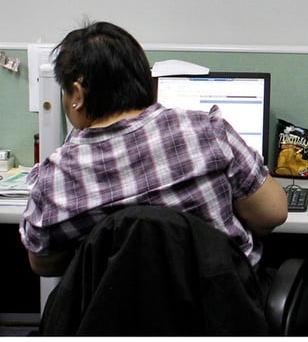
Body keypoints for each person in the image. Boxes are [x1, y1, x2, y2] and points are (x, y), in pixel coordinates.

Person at [19, 21, 288, 277]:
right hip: (221, 314)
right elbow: (272, 214)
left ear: (76, 93)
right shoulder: (206, 131)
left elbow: (43, 263)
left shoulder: (57, 176)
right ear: (146, 79)